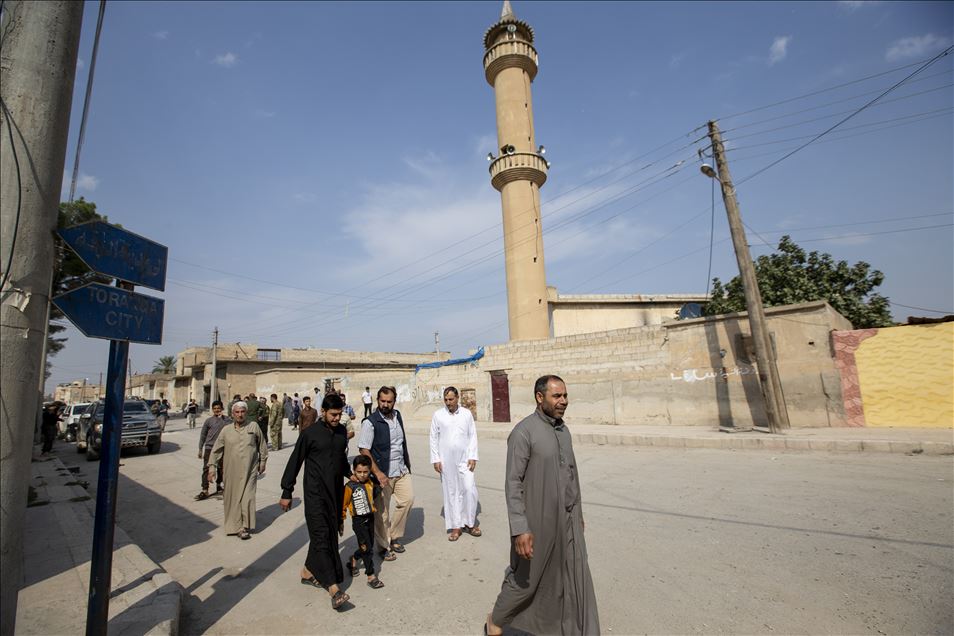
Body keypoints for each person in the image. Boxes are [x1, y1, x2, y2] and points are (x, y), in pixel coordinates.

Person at [485, 375, 599, 636]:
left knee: (569, 574)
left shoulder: (563, 430)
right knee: (527, 580)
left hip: (568, 520)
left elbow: (572, 475)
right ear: (540, 397)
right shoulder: (523, 433)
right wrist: (520, 528)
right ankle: (496, 619)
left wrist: (578, 513)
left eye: (565, 396)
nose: (563, 401)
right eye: (557, 396)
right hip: (537, 522)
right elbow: (512, 484)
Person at [280, 393, 352, 610]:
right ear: (323, 412)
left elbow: (341, 462)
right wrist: (286, 491)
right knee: (321, 534)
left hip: (335, 493)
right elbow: (295, 460)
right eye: (333, 414)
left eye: (340, 414)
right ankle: (333, 588)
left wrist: (353, 475)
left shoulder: (341, 433)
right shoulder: (310, 434)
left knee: (329, 533)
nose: (337, 418)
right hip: (314, 493)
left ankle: (307, 571)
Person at [357, 386, 413, 561]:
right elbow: (364, 449)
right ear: (377, 400)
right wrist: (378, 473)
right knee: (382, 512)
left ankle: (394, 535)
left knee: (407, 500)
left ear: (394, 402)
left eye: (389, 401)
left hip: (401, 469)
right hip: (383, 474)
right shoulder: (370, 422)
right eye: (382, 401)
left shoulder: (398, 416)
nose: (385, 404)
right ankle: (383, 546)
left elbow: (400, 443)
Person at [209, 401, 268, 540]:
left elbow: (262, 445)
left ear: (246, 413)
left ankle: (244, 527)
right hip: (231, 471)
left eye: (242, 412)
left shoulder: (253, 426)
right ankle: (234, 526)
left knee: (247, 497)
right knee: (232, 498)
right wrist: (212, 467)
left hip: (250, 470)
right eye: (237, 412)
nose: (240, 414)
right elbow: (216, 450)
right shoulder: (226, 430)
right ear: (232, 414)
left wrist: (263, 461)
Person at [429, 386, 480, 541]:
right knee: (451, 492)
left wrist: (473, 456)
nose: (448, 402)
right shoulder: (438, 415)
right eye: (446, 399)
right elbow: (433, 438)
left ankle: (470, 523)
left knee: (469, 489)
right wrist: (436, 459)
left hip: (465, 459)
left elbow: (472, 435)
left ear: (457, 398)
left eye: (451, 399)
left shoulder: (466, 414)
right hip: (446, 460)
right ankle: (456, 526)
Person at [341, 455, 385, 589]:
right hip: (358, 521)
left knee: (369, 545)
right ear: (354, 470)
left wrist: (380, 485)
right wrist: (341, 521)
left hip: (370, 518)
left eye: (365, 472)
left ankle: (353, 559)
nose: (362, 475)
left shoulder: (371, 482)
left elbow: (375, 493)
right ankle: (371, 575)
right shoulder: (349, 486)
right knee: (367, 549)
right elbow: (343, 504)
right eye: (359, 472)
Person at [195, 400, 228, 500]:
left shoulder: (226, 420)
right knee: (206, 468)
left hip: (222, 448)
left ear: (222, 408)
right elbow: (203, 435)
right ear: (212, 409)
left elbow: (232, 426)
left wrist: (222, 418)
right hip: (209, 448)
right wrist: (200, 448)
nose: (217, 410)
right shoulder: (208, 421)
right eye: (215, 408)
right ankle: (205, 489)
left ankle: (219, 486)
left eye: (218, 408)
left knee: (221, 468)